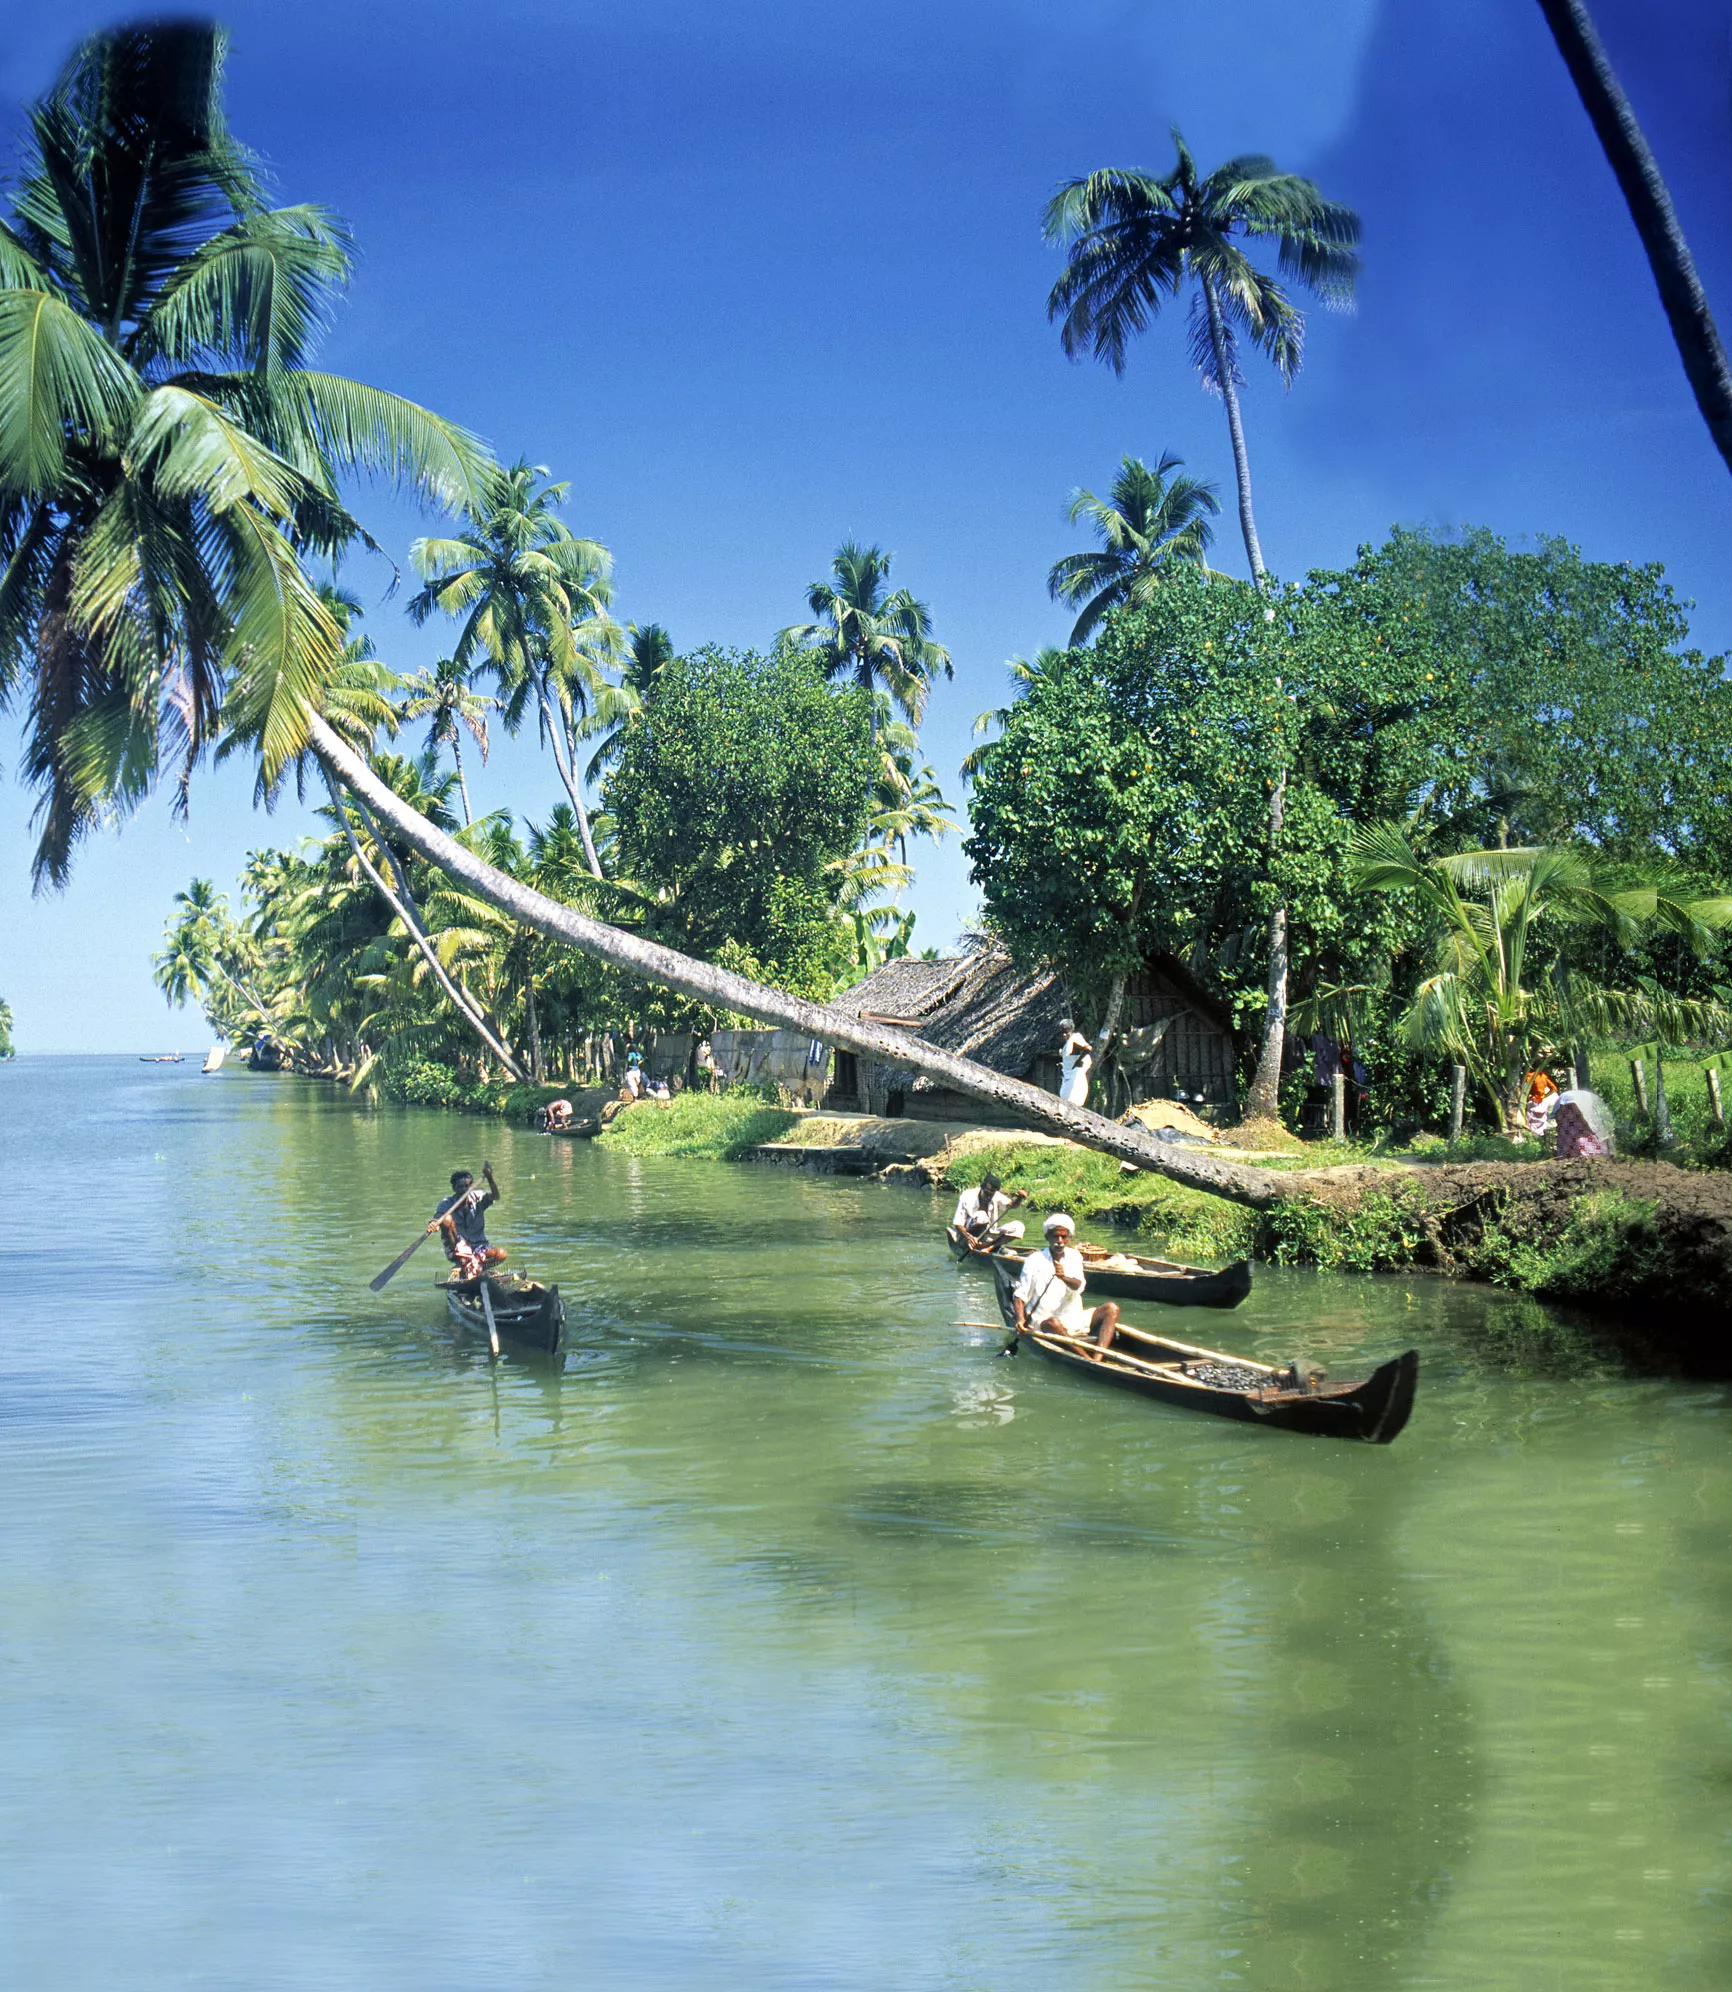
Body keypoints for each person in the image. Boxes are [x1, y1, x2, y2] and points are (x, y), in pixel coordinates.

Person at [1012, 1213, 1119, 1357]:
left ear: (1070, 1238)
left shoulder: (1075, 1256)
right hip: (1045, 1321)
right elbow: (1020, 1295)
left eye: (1064, 1237)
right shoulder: (1034, 1260)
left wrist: (1063, 1277)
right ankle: (1087, 1359)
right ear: (1047, 1238)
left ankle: (1098, 1356)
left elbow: (1078, 1286)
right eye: (1055, 1236)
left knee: (1111, 1309)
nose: (1059, 1241)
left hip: (1073, 1318)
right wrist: (1020, 1319)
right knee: (1053, 1323)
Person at [428, 1163, 506, 1280]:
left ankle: (476, 1267)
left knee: (501, 1254)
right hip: (457, 1250)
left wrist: (490, 1178)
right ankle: (461, 1263)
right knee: (447, 1219)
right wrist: (434, 1224)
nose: (463, 1190)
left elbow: (496, 1196)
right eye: (459, 1187)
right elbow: (437, 1218)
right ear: (454, 1188)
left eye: (466, 1187)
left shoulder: (478, 1197)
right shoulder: (446, 1203)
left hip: (479, 1246)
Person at [952, 1173, 1028, 1248]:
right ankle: (978, 1244)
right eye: (986, 1192)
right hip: (967, 1235)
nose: (988, 1196)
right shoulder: (967, 1196)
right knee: (982, 1215)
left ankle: (990, 1247)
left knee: (1019, 1226)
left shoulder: (996, 1196)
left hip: (988, 1236)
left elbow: (1012, 1206)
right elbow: (958, 1223)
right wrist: (969, 1237)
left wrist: (1019, 1198)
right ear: (982, 1187)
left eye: (991, 1193)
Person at [1058, 1020, 1093, 1107]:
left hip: (1075, 1075)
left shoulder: (1075, 1038)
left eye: (1064, 1031)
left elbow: (1088, 1048)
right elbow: (1071, 1056)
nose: (1063, 1035)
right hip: (1069, 1075)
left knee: (1072, 1101)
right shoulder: (1069, 1041)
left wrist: (1077, 1062)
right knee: (1065, 1100)